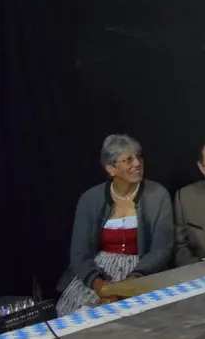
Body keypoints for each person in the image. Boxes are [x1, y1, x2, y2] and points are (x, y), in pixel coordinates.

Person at [56, 134, 174, 316]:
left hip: (143, 272)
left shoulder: (158, 195)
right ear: (111, 169)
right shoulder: (90, 199)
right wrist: (99, 284)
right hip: (98, 276)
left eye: (138, 157)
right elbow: (79, 254)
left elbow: (161, 249)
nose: (137, 164)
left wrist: (131, 283)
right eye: (128, 160)